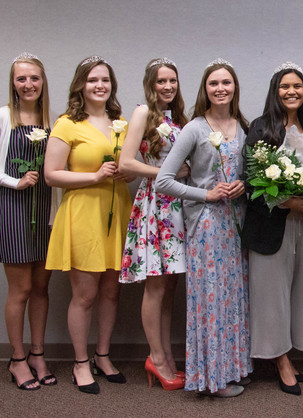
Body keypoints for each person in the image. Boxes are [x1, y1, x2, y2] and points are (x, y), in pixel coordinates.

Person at [155, 58, 251, 398]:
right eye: (214, 84)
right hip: (207, 224)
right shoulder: (195, 128)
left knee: (232, 298)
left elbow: (248, 172)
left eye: (226, 82)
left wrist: (243, 185)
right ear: (205, 89)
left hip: (236, 223)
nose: (221, 88)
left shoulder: (244, 126)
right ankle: (211, 379)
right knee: (210, 302)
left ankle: (233, 368)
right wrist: (205, 194)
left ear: (235, 87)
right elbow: (163, 181)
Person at [44, 56, 133, 394]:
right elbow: (52, 175)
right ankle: (80, 363)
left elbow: (131, 161)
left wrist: (127, 171)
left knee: (112, 292)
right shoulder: (68, 123)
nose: (100, 85)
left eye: (106, 80)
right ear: (81, 84)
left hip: (116, 209)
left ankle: (103, 355)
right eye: (93, 79)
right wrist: (94, 175)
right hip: (83, 212)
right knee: (85, 294)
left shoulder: (120, 122)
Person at [0, 53, 60, 391]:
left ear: (43, 81)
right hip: (12, 210)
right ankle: (18, 358)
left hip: (46, 212)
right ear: (13, 83)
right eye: (22, 78)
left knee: (41, 288)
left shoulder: (52, 119)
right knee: (20, 289)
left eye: (34, 78)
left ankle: (38, 354)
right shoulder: (0, 118)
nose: (28, 84)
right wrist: (14, 181)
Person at [242, 62, 303, 396]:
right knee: (271, 296)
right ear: (274, 92)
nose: (292, 92)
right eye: (285, 87)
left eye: (298, 86)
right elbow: (250, 180)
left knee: (301, 293)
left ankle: (289, 355)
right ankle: (280, 362)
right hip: (271, 223)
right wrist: (285, 202)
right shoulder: (261, 128)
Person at [118, 58, 189, 391]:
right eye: (161, 81)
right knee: (156, 285)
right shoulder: (142, 114)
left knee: (170, 288)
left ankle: (168, 357)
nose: (168, 86)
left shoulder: (176, 119)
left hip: (178, 207)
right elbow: (127, 162)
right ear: (151, 84)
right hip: (156, 204)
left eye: (172, 81)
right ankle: (156, 359)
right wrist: (167, 174)